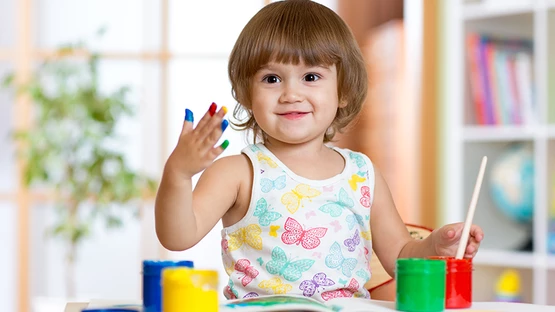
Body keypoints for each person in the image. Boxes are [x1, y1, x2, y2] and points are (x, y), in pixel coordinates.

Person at [155, 0, 483, 302]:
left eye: (311, 76)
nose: (291, 94)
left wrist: (436, 247)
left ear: (343, 91)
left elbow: (399, 256)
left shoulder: (362, 174)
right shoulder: (237, 173)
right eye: (271, 79)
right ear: (246, 92)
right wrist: (179, 174)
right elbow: (177, 236)